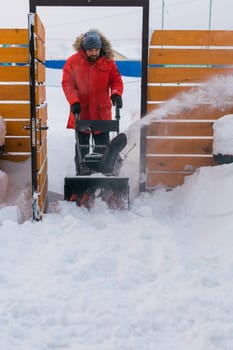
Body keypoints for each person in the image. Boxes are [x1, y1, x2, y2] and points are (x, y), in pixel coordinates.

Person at [62, 29, 123, 174]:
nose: (94, 53)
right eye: (90, 50)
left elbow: (116, 80)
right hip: (81, 112)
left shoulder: (108, 62)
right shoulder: (73, 61)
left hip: (101, 113)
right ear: (84, 49)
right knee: (82, 149)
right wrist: (73, 101)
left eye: (96, 49)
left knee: (103, 149)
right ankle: (81, 176)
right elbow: (67, 84)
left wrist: (116, 94)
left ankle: (103, 179)